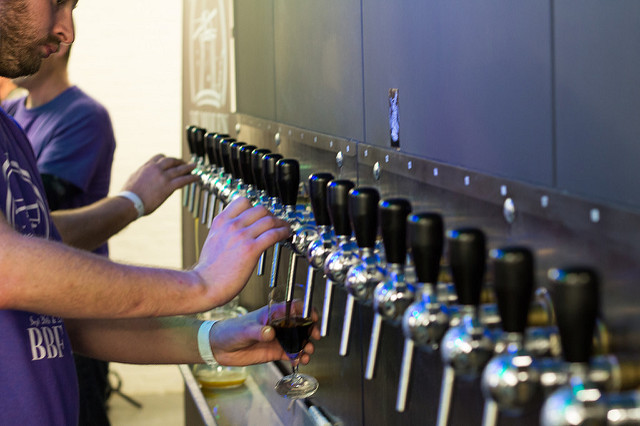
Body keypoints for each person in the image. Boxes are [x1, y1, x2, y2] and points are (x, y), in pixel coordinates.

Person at [0, 0, 316, 424]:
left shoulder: (10, 134)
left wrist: (210, 340)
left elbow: (61, 317)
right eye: (57, 2)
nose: (67, 31)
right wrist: (199, 284)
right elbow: (10, 271)